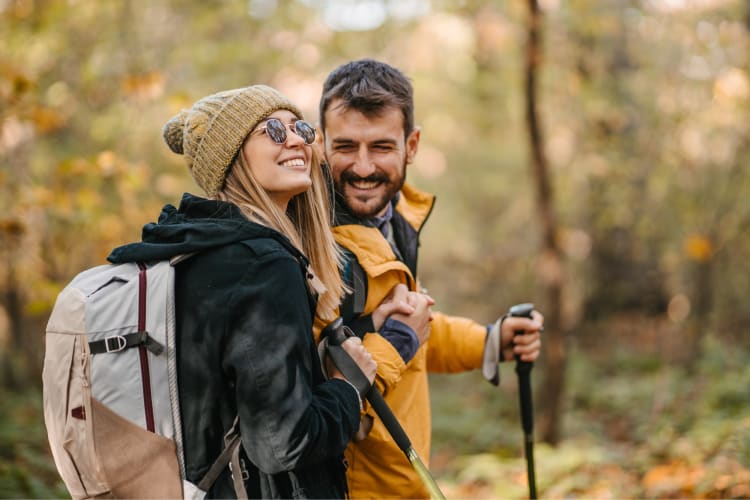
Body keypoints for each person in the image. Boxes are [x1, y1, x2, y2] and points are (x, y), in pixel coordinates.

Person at [107, 84, 377, 499]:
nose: (295, 140)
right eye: (270, 129)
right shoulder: (263, 266)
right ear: (230, 158)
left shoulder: (193, 252)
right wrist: (346, 386)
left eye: (299, 127)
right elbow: (283, 442)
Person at [315, 59, 544, 498]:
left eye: (381, 147)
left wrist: (492, 341)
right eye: (345, 146)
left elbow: (415, 330)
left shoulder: (394, 222)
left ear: (412, 144)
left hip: (403, 483)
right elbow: (312, 386)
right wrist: (397, 340)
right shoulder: (316, 240)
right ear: (322, 144)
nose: (363, 167)